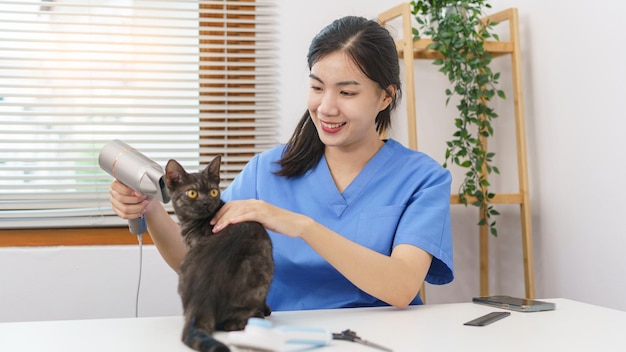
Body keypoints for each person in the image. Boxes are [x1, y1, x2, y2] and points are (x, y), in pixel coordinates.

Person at [109, 15, 454, 311]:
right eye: (318, 88)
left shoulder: (422, 179)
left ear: (386, 96)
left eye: (347, 93)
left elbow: (401, 287)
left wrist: (302, 226)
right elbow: (196, 260)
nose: (326, 107)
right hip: (280, 339)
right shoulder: (267, 169)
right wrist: (150, 209)